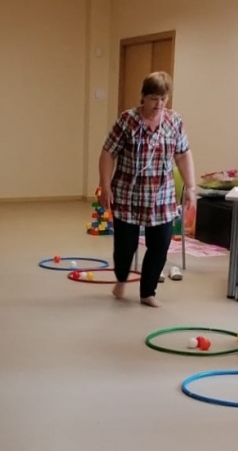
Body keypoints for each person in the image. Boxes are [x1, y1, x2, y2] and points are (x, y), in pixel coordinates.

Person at [98, 71, 197, 307]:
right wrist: (105, 185)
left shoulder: (174, 122)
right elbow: (108, 153)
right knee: (125, 247)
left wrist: (191, 187)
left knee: (160, 245)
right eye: (153, 98)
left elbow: (183, 155)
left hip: (161, 197)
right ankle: (121, 279)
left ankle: (147, 293)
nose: (159, 104)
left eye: (163, 99)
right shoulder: (127, 121)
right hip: (128, 194)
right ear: (143, 97)